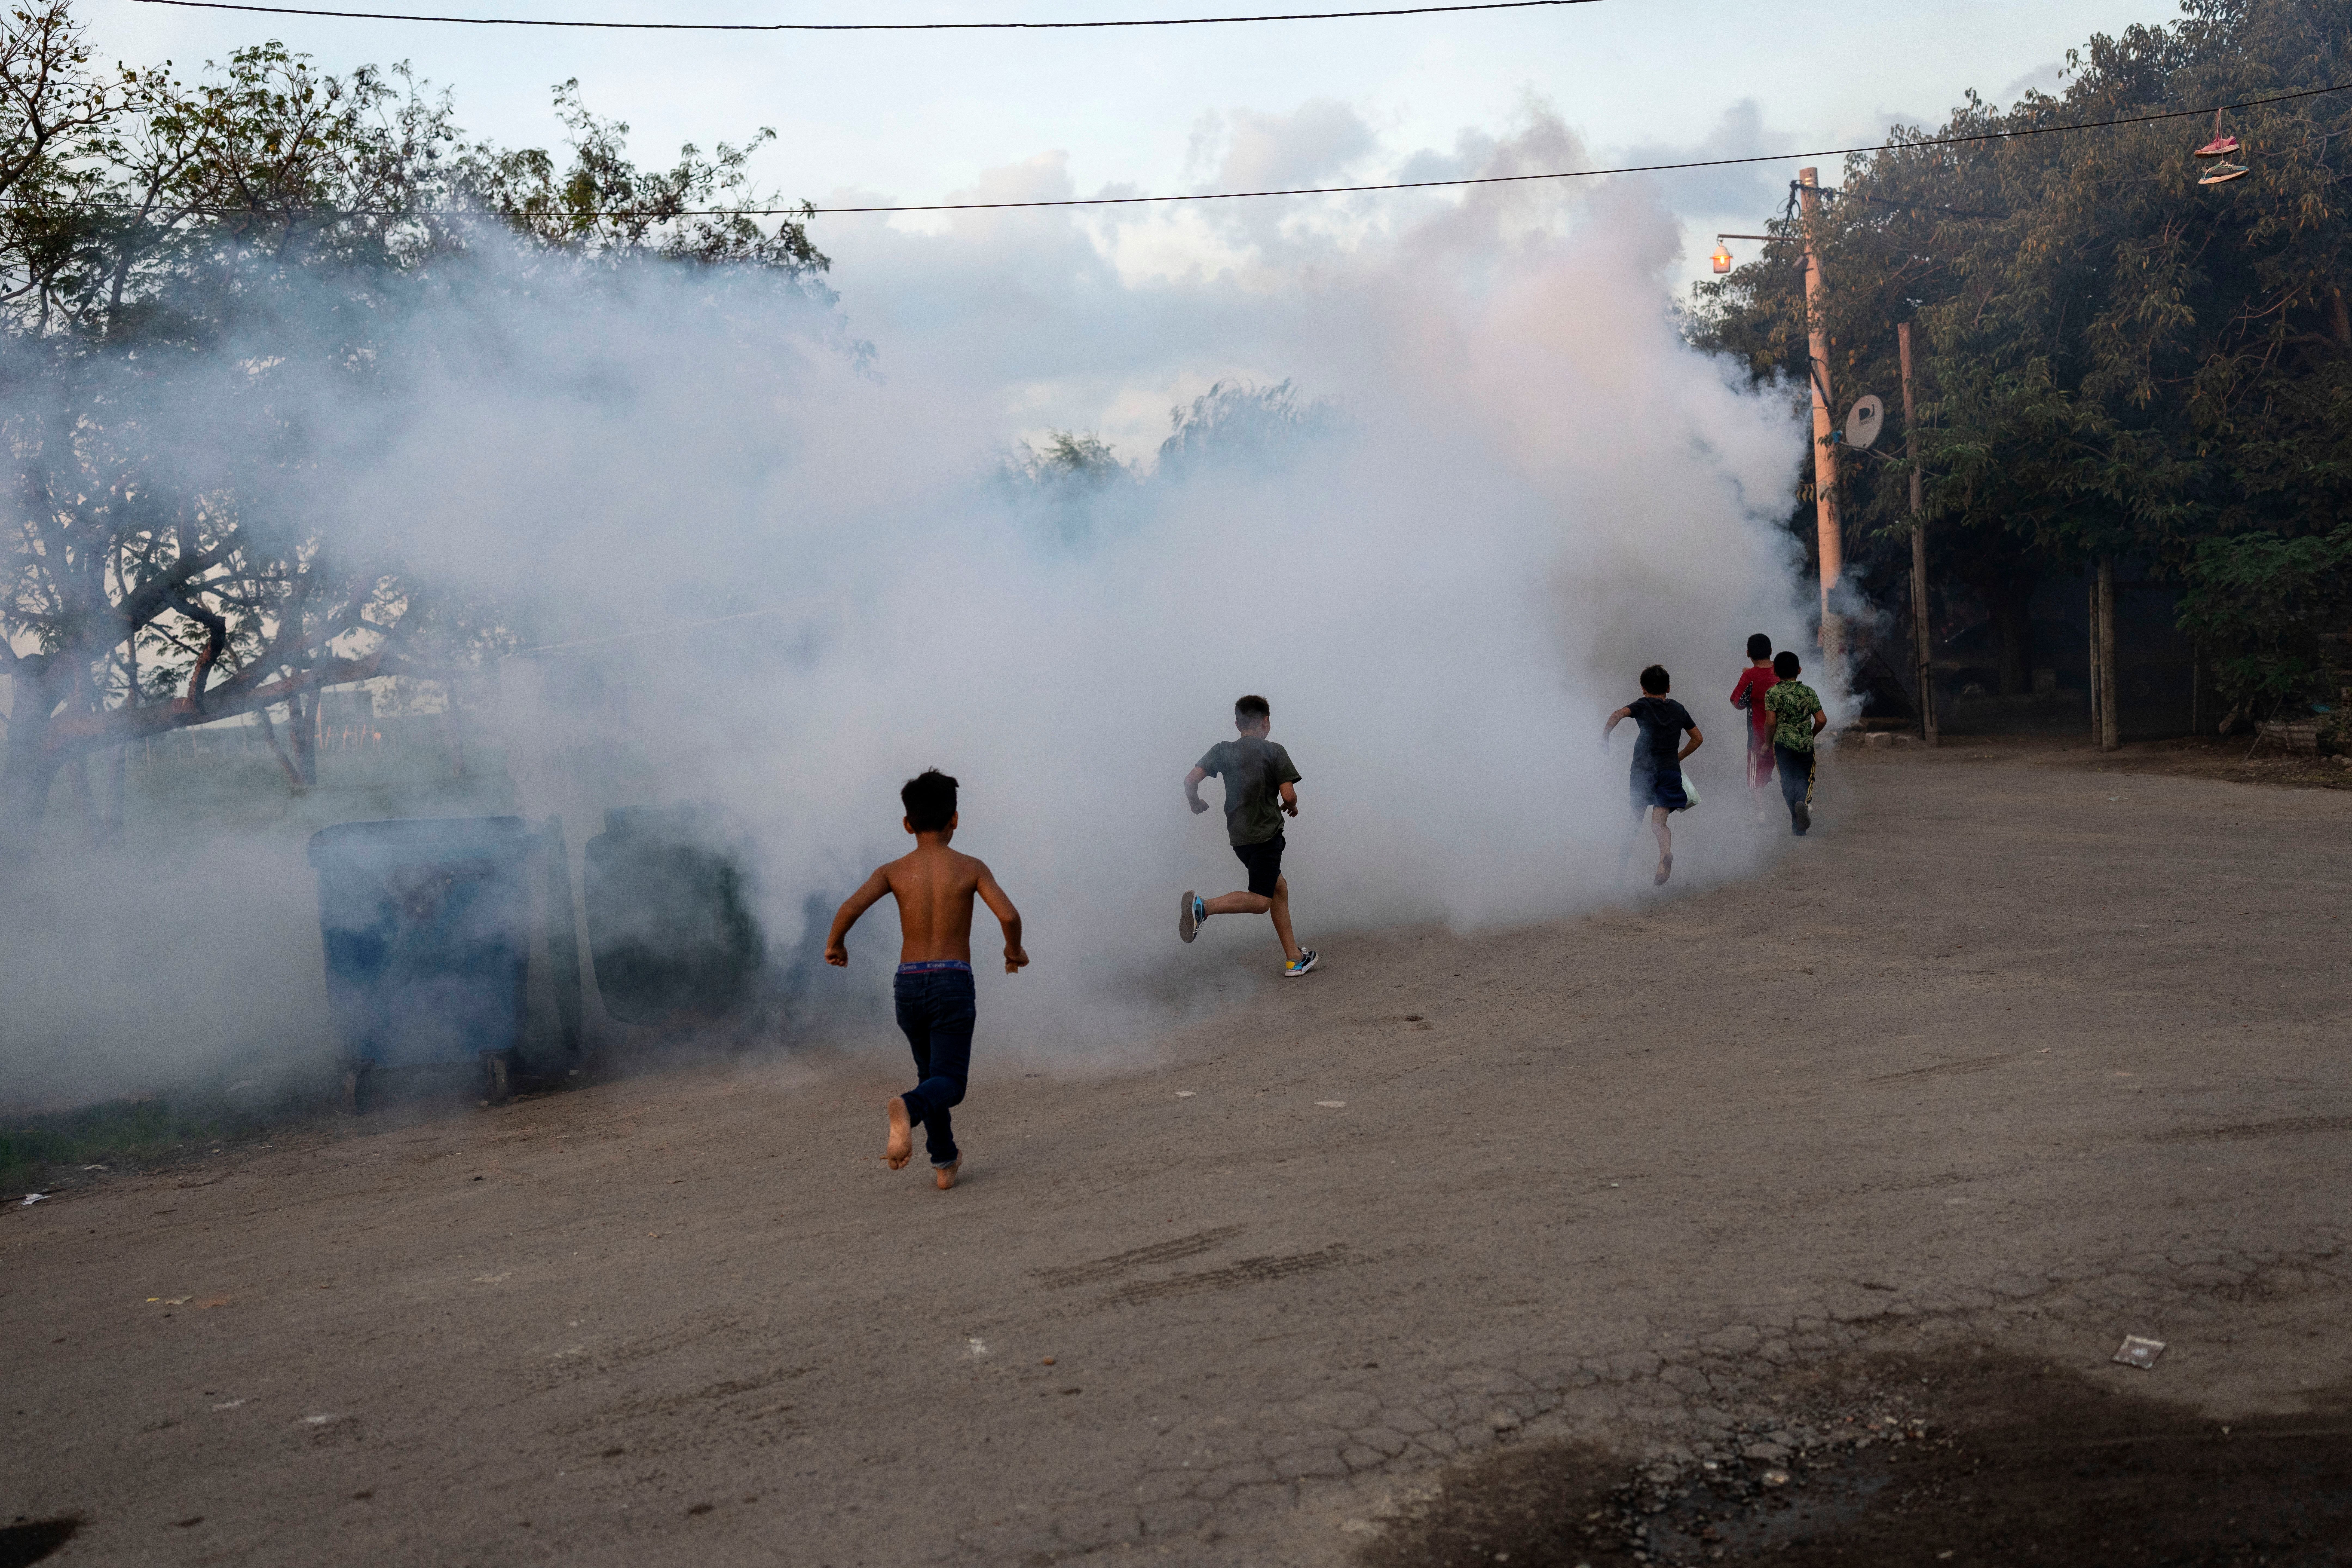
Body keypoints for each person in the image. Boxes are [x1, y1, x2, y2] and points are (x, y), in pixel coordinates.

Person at [825, 768, 1027, 1191]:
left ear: (907, 824)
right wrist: (1013, 951)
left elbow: (849, 907)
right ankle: (908, 1108)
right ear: (956, 819)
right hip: (952, 982)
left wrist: (836, 945)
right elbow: (1008, 915)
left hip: (909, 984)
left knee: (931, 1075)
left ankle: (944, 1159)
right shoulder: (970, 867)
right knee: (950, 1082)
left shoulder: (892, 871)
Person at [1179, 694, 1316, 977]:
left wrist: (1195, 803)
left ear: (1237, 723)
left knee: (1278, 888)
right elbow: (1289, 794)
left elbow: (1191, 780)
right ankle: (1203, 908)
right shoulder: (1274, 751)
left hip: (1240, 839)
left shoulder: (1223, 750)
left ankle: (1294, 958)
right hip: (1266, 837)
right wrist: (1291, 806)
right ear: (1265, 722)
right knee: (1260, 901)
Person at [1604, 665, 1704, 886]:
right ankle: (1664, 856)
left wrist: (1605, 738)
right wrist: (1678, 758)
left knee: (1634, 821)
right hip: (1669, 771)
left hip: (1643, 772)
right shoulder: (1678, 709)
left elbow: (1617, 715)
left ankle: (1620, 875)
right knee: (1659, 824)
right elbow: (1698, 738)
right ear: (1669, 687)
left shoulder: (1643, 705)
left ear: (1643, 689)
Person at [1763, 650, 1827, 834]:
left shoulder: (1772, 693)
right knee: (1806, 778)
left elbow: (1771, 723)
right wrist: (1811, 734)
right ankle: (1804, 804)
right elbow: (1822, 720)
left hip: (1782, 745)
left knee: (1787, 781)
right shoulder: (1808, 692)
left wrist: (1768, 742)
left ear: (1775, 672)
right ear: (1799, 670)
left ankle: (1796, 821)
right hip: (1805, 744)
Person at [1729, 632, 1780, 825]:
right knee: (1789, 773)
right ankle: (1800, 806)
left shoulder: (1750, 676)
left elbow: (1737, 702)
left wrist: (1746, 675)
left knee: (1755, 776)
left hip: (1759, 737)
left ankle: (1760, 813)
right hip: (1786, 734)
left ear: (1748, 653)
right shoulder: (1782, 671)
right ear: (1771, 652)